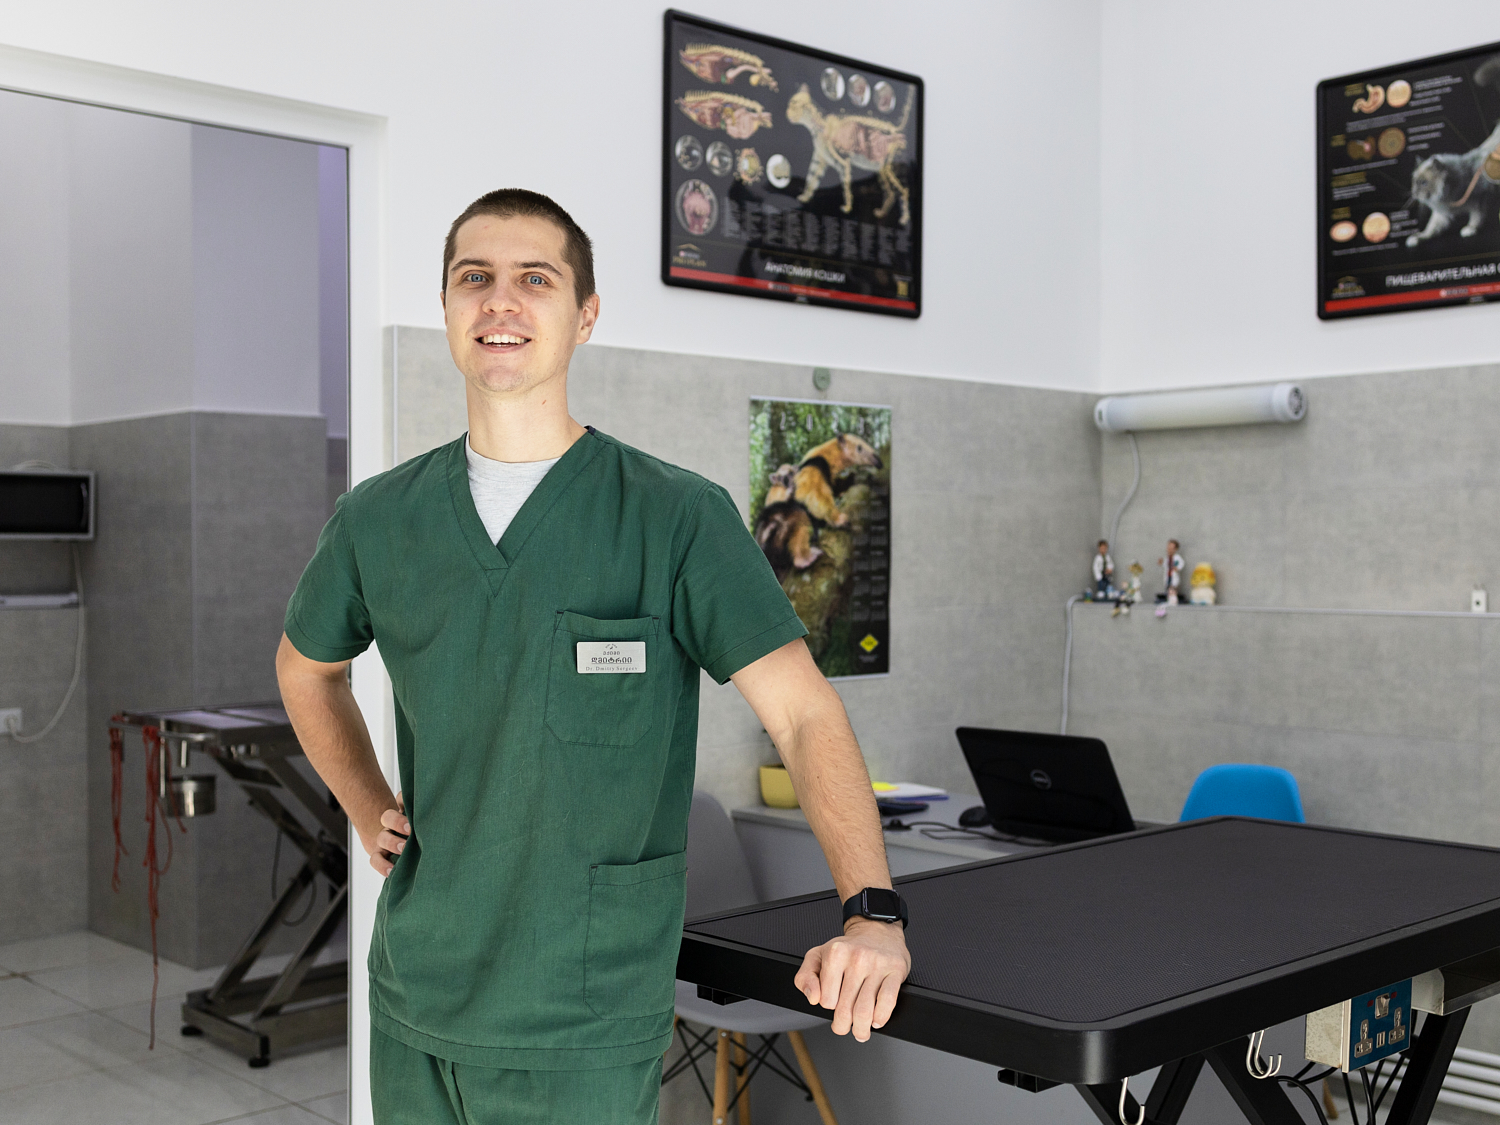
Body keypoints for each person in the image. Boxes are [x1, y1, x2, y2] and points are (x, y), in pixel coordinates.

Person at [275, 189, 911, 1124]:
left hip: (584, 1013)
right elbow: (306, 670)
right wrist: (367, 803)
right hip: (417, 996)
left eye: (535, 279)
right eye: (474, 277)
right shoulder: (378, 519)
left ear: (585, 315)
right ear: (446, 308)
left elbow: (804, 713)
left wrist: (873, 913)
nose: (500, 300)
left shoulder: (674, 516)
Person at [1158, 539, 1184, 605]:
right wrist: (1161, 562)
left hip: (1173, 576)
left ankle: (1174, 600)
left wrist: (1177, 568)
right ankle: (1169, 600)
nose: (1169, 550)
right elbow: (1165, 565)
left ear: (1175, 549)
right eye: (1168, 548)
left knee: (1173, 588)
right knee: (1168, 588)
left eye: (1172, 548)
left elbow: (1181, 563)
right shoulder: (1167, 558)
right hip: (1168, 576)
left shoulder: (1177, 557)